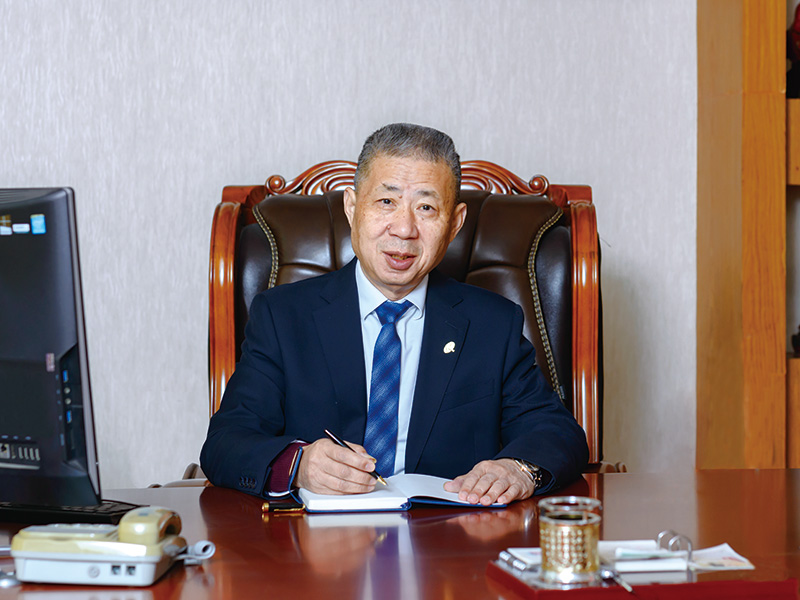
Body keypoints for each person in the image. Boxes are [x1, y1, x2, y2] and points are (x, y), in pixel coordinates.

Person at [200, 123, 588, 505]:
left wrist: (518, 469)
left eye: (426, 208)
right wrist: (298, 464)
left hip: (447, 537)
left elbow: (558, 433)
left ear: (454, 223)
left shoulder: (493, 325)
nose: (404, 229)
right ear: (352, 207)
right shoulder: (283, 317)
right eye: (386, 202)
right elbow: (225, 443)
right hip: (318, 538)